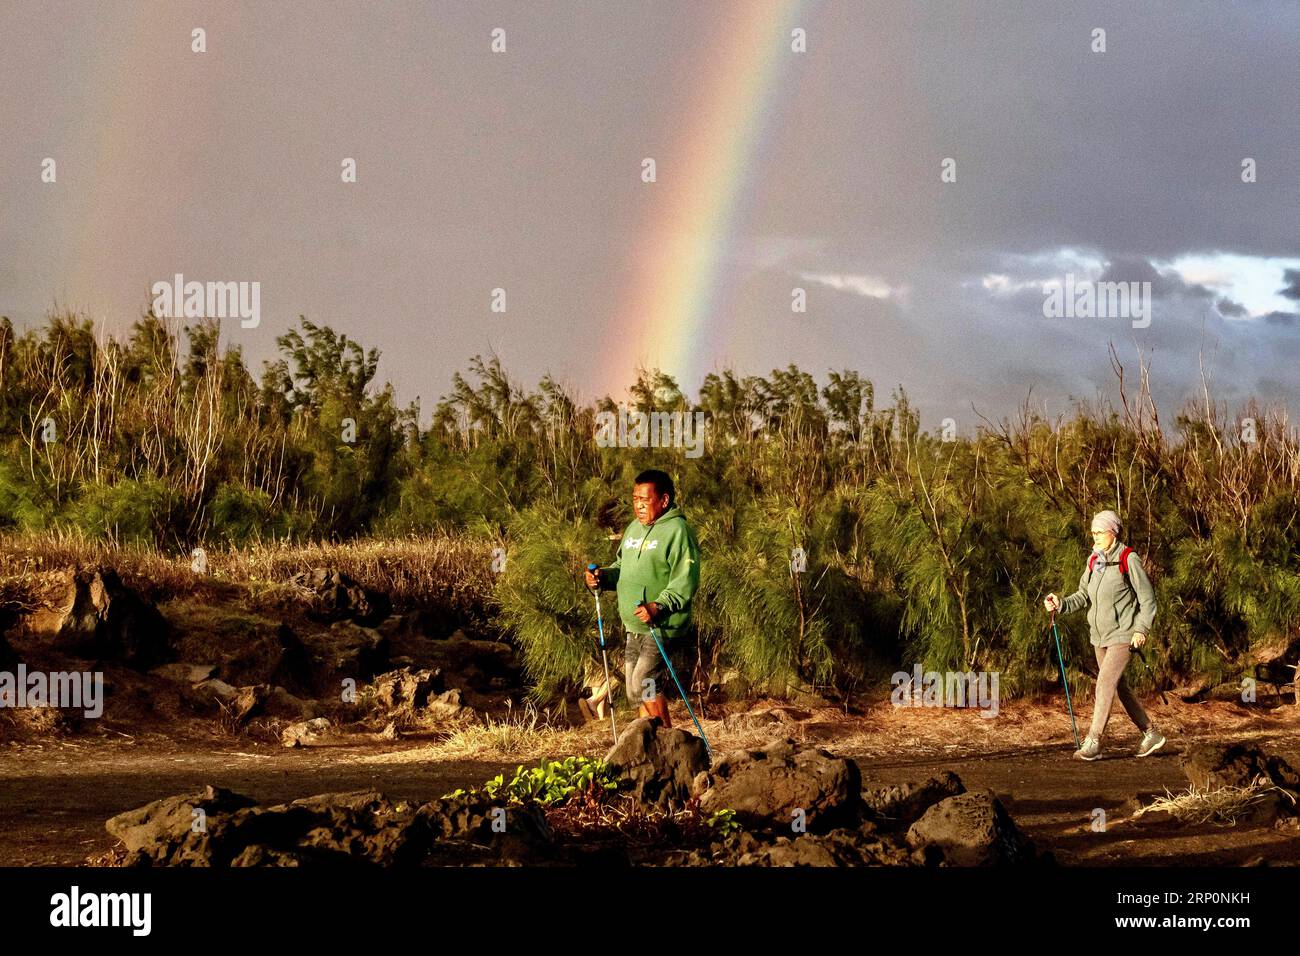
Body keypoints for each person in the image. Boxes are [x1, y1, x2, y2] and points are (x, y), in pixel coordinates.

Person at [1044, 510, 1166, 761]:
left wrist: (1141, 629)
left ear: (1113, 532)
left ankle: (1094, 741)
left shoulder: (1127, 558)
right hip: (1099, 637)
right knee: (1119, 688)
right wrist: (1061, 603)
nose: (1095, 536)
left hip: (1124, 635)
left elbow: (1147, 599)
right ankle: (1150, 733)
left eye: (1100, 532)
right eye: (1093, 532)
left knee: (1104, 684)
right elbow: (1083, 595)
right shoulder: (1095, 559)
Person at [583, 469, 701, 729]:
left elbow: (686, 579)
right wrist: (602, 577)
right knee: (634, 691)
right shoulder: (634, 529)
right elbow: (621, 567)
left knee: (645, 684)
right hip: (634, 624)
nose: (638, 505)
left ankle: (670, 749)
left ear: (664, 500)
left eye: (644, 500)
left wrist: (659, 606)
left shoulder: (678, 531)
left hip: (662, 624)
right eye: (635, 498)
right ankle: (647, 745)